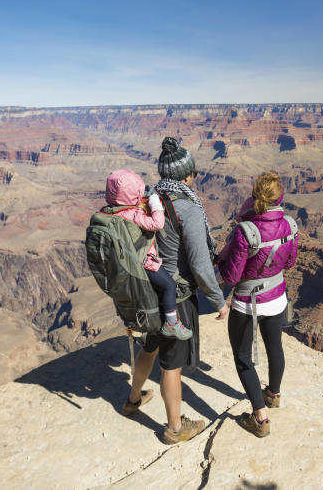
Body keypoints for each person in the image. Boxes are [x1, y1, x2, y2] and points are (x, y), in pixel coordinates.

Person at [121, 137, 230, 445]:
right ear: (187, 175)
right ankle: (174, 429)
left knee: (150, 346)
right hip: (177, 297)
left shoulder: (150, 198)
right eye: (193, 173)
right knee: (171, 364)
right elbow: (198, 264)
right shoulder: (188, 208)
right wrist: (219, 301)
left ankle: (133, 400)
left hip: (149, 288)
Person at [217, 171, 298, 438]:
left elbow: (231, 277)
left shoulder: (245, 231)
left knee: (243, 357)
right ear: (279, 196)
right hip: (277, 298)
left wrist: (221, 259)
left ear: (254, 195)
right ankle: (273, 395)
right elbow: (289, 263)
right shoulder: (289, 224)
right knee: (275, 347)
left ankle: (260, 419)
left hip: (247, 304)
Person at [104, 168, 190, 340]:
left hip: (126, 265)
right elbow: (157, 224)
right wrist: (154, 202)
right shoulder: (133, 214)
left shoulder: (110, 213)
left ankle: (143, 327)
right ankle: (172, 323)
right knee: (169, 286)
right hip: (144, 263)